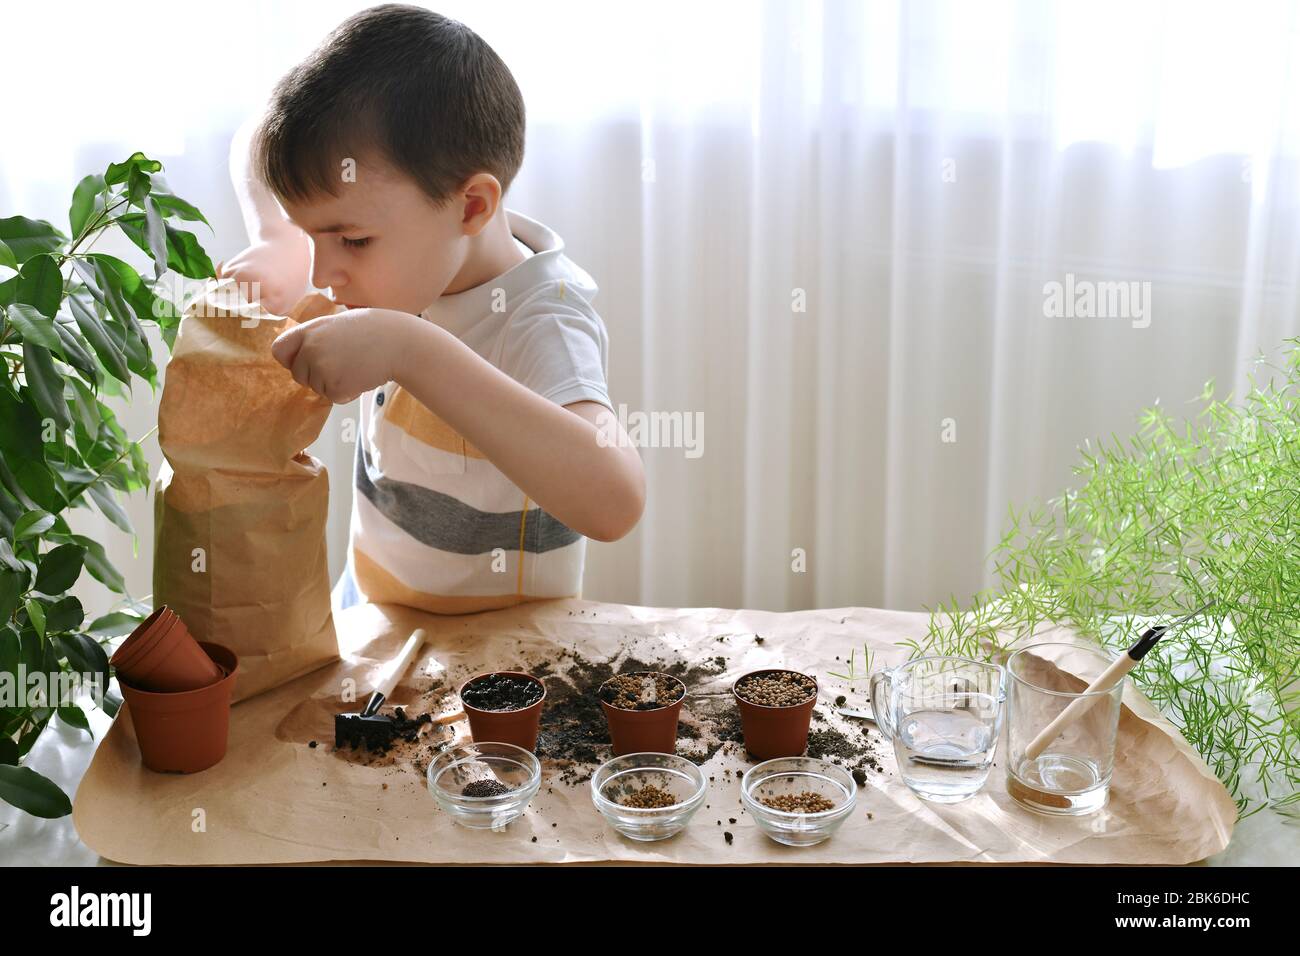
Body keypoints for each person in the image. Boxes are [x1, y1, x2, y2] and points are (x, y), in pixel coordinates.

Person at [219, 4, 644, 615]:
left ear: (470, 206)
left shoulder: (541, 315)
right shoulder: (409, 266)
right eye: (312, 235)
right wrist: (276, 237)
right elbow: (259, 131)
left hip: (500, 672)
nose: (322, 274)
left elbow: (616, 500)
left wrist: (409, 350)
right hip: (372, 622)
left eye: (352, 240)